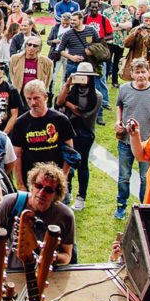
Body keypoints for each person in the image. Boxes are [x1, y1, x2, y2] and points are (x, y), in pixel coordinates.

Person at [0, 162, 75, 269]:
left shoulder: (66, 215)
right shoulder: (11, 202)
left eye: (48, 190)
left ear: (56, 194)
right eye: (38, 186)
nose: (41, 192)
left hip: (44, 276)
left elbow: (67, 256)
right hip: (13, 273)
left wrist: (49, 256)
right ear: (32, 184)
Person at [113, 57, 150, 219]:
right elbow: (119, 106)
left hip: (148, 141)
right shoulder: (124, 89)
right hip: (125, 141)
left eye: (144, 72)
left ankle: (144, 207)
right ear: (132, 74)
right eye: (137, 72)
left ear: (149, 73)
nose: (141, 75)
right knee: (124, 175)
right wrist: (118, 121)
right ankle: (121, 205)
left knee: (145, 177)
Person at [8, 80, 75, 191]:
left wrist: (62, 179)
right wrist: (20, 184)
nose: (33, 103)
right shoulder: (20, 123)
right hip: (31, 181)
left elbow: (70, 153)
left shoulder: (60, 119)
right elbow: (17, 155)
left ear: (45, 97)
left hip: (55, 179)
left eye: (36, 98)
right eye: (28, 99)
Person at [55, 62, 101, 210]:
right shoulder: (71, 91)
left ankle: (82, 196)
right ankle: (66, 192)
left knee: (81, 164)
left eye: (85, 77)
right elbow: (59, 101)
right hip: (68, 131)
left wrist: (69, 106)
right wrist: (67, 85)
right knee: (65, 163)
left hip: (84, 133)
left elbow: (83, 113)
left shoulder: (97, 96)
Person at [121, 11, 150, 82]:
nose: (148, 23)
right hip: (135, 60)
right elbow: (126, 44)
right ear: (142, 20)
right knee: (134, 81)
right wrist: (134, 34)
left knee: (149, 83)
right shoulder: (135, 30)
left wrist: (147, 39)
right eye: (146, 20)